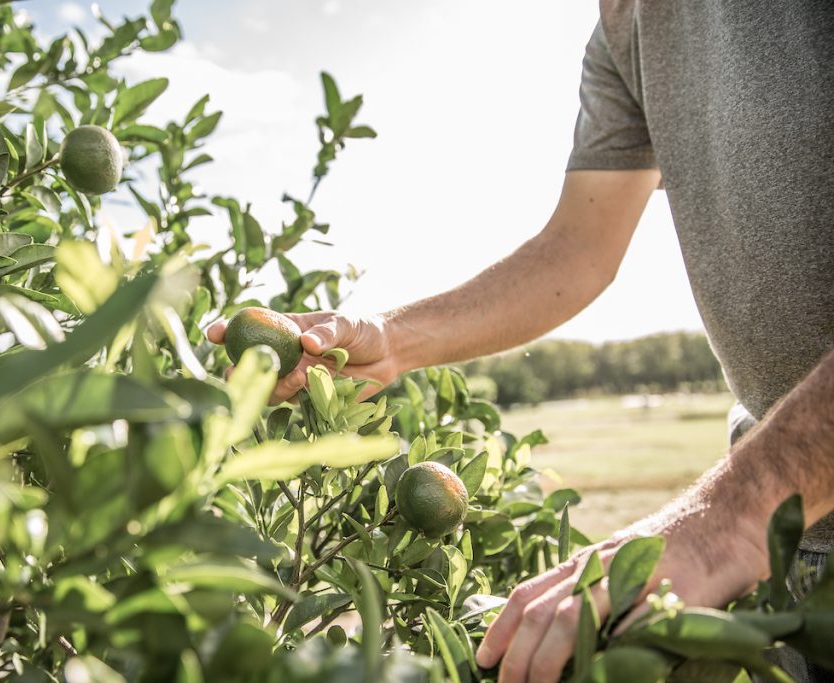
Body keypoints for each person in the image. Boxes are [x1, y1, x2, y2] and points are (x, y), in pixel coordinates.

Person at [209, 1, 833, 681]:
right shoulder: (627, 26)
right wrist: (393, 340)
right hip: (800, 531)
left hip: (769, 505)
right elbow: (576, 249)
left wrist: (732, 517)